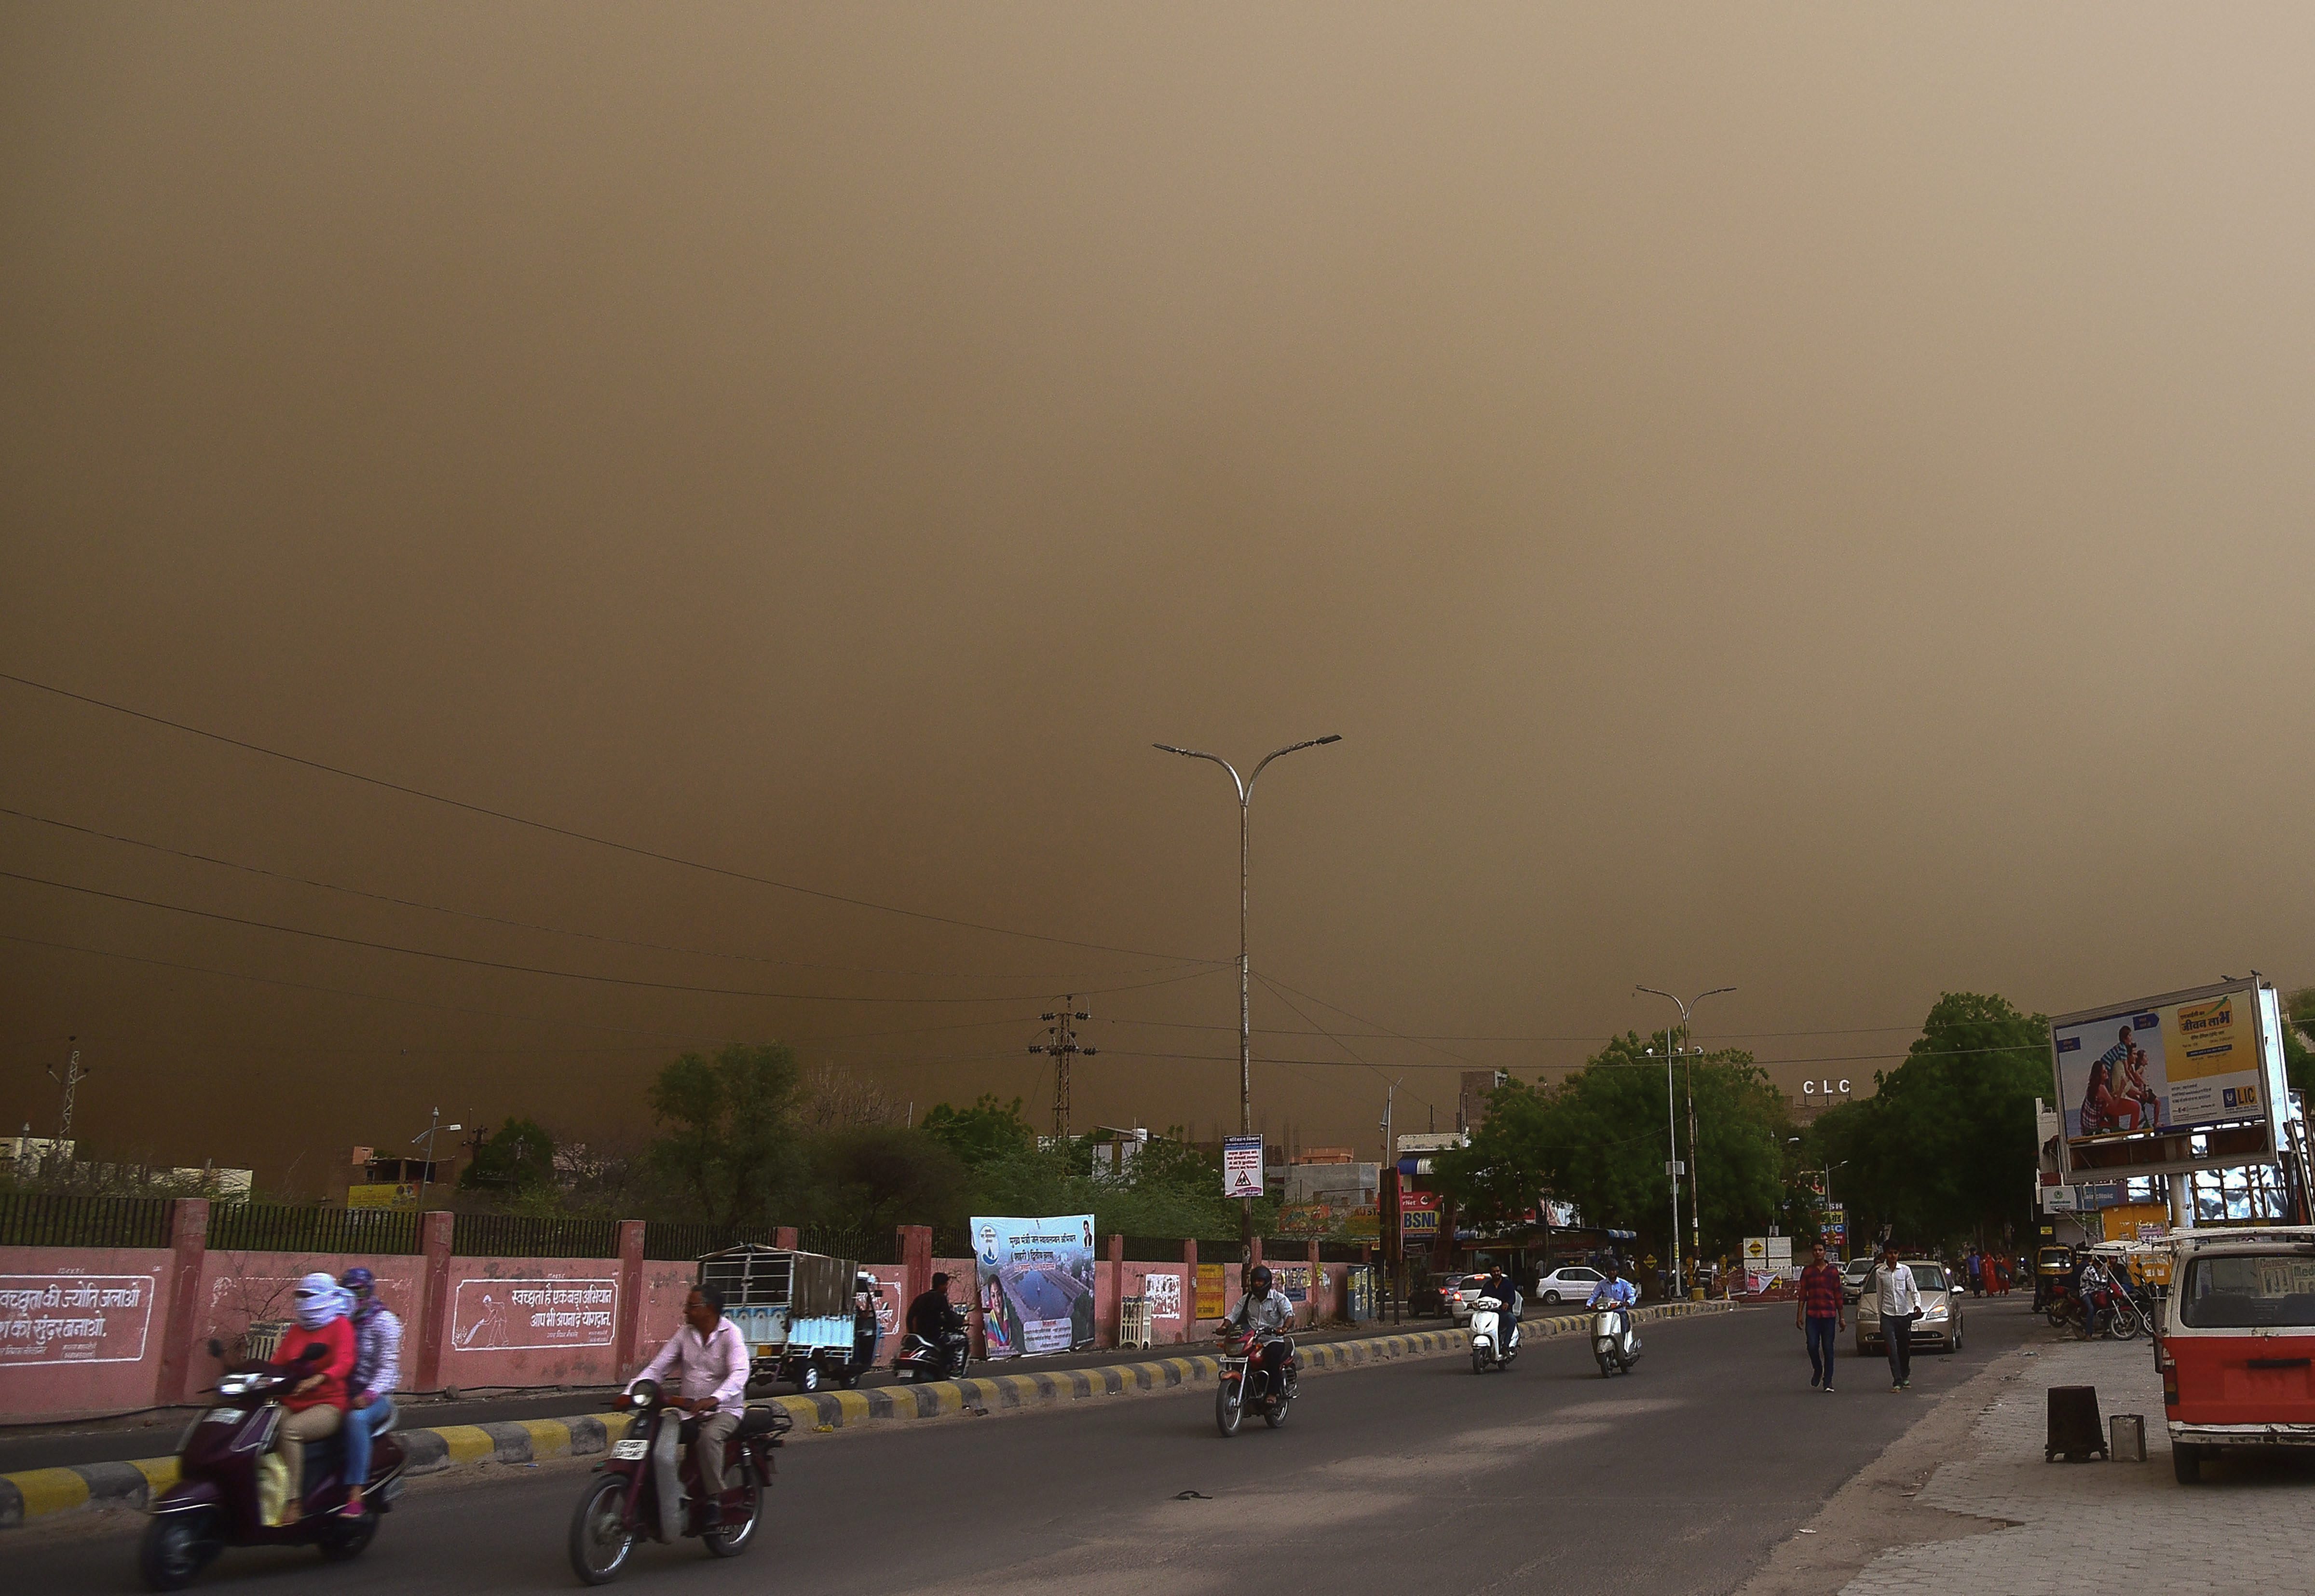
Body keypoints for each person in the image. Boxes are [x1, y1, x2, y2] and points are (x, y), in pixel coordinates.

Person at [627, 1285, 749, 1535]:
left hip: (724, 1410)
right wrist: (630, 1393)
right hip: (687, 1411)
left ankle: (714, 1500)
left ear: (710, 1309)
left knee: (708, 1439)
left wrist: (715, 1398)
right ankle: (662, 1492)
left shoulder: (731, 1334)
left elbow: (740, 1373)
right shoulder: (685, 1334)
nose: (686, 1311)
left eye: (692, 1306)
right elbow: (657, 1368)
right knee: (654, 1434)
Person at [272, 1272, 356, 1523]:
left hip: (328, 1404)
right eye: (299, 1295)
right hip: (294, 1401)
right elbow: (278, 1363)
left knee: (290, 1431)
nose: (301, 1300)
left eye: (307, 1295)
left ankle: (295, 1502)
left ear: (324, 1297)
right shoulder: (297, 1330)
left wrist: (317, 1379)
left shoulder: (341, 1326)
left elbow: (345, 1362)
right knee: (259, 1423)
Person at [337, 1268, 400, 1519]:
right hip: (341, 1391)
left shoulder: (384, 1323)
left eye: (358, 1291)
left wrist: (369, 1395)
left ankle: (355, 1494)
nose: (353, 1297)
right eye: (348, 1292)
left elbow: (388, 1367)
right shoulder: (339, 1321)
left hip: (375, 1397)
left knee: (356, 1420)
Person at [1219, 1264, 1297, 1404]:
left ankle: (1272, 1393)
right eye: (1255, 1281)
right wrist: (1224, 1327)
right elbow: (1233, 1315)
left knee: (1272, 1356)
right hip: (1252, 1340)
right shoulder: (1247, 1299)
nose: (1257, 1284)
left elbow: (1289, 1315)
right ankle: (1246, 1389)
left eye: (1260, 1281)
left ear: (1267, 1282)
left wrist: (1284, 1328)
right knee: (1238, 1357)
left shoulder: (1279, 1299)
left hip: (1273, 1339)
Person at [1795, 1241, 1845, 1393]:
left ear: (1825, 1252)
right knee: (1812, 1345)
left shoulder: (1833, 1272)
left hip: (1829, 1315)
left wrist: (1842, 1318)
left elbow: (1838, 1295)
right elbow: (1803, 1294)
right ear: (1812, 1253)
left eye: (1820, 1250)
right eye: (1815, 1250)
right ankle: (1818, 1369)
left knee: (1828, 1348)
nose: (1818, 1253)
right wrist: (1799, 1315)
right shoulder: (1808, 1272)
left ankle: (1828, 1381)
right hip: (1813, 1315)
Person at [1871, 1245, 1919, 1391]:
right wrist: (1880, 1318)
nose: (1893, 1256)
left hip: (1903, 1316)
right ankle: (1897, 1380)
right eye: (1890, 1253)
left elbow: (1913, 1289)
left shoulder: (1905, 1271)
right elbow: (1880, 1296)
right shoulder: (1880, 1273)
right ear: (1885, 1254)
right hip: (1887, 1315)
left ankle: (1905, 1375)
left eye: (1895, 1253)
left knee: (1904, 1348)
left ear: (1899, 1254)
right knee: (1892, 1349)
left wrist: (1917, 1305)